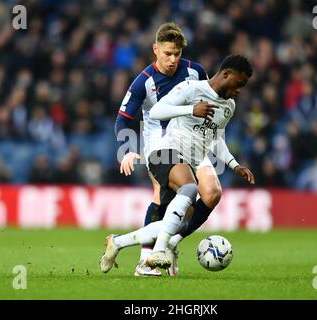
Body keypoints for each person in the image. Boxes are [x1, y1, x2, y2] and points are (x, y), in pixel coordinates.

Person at [101, 54, 255, 274]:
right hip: (164, 151)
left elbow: (215, 137)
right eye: (239, 83)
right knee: (191, 189)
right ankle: (159, 251)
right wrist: (191, 109)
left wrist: (234, 164)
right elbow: (156, 111)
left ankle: (117, 242)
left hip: (190, 160)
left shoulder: (229, 106)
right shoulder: (192, 89)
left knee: (179, 224)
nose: (240, 90)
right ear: (226, 74)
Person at [114, 22, 233, 277]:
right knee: (162, 194)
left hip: (192, 141)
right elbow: (123, 119)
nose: (172, 59)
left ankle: (170, 243)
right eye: (167, 53)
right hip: (160, 143)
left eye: (177, 54)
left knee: (211, 193)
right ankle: (145, 260)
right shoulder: (143, 82)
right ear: (155, 49)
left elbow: (210, 106)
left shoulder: (195, 72)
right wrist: (126, 150)